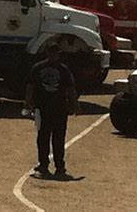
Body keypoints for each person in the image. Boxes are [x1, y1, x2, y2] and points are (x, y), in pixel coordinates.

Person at [24, 42, 79, 178]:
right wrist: (28, 102)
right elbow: (30, 86)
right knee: (43, 137)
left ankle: (59, 166)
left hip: (59, 109)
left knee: (58, 139)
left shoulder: (63, 70)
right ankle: (43, 165)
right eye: (51, 53)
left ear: (58, 55)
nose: (53, 56)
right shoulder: (38, 68)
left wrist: (74, 104)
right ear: (47, 53)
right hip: (42, 108)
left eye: (55, 53)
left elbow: (70, 88)